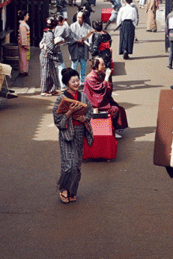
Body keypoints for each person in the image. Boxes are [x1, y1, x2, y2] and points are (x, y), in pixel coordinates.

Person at [53, 68, 93, 203]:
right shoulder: (61, 98)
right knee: (68, 165)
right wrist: (69, 113)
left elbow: (90, 110)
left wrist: (85, 118)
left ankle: (72, 191)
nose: (76, 83)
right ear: (67, 83)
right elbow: (57, 119)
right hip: (66, 133)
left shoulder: (83, 96)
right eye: (73, 81)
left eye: (77, 80)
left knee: (76, 165)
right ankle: (63, 187)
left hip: (79, 132)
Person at [83, 57, 128, 138]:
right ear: (96, 66)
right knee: (115, 110)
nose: (104, 66)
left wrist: (107, 79)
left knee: (119, 108)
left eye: (104, 64)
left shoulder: (100, 75)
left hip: (101, 100)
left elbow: (107, 88)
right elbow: (100, 90)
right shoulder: (90, 78)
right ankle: (112, 130)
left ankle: (114, 129)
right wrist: (107, 77)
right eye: (102, 65)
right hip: (94, 103)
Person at [39, 17, 62, 96]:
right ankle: (44, 90)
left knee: (52, 72)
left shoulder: (47, 32)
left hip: (47, 55)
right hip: (46, 55)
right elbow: (51, 48)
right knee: (46, 72)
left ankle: (52, 89)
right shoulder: (49, 34)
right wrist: (58, 44)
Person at [69, 11, 93, 83]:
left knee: (83, 66)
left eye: (80, 17)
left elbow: (91, 33)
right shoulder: (72, 26)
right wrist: (77, 40)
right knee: (74, 66)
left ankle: (82, 81)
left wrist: (87, 38)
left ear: (83, 18)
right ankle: (72, 80)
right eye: (78, 17)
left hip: (83, 48)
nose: (79, 19)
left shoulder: (87, 26)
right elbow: (70, 36)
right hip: (75, 48)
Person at [54, 14, 72, 82]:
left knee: (54, 67)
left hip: (51, 50)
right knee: (61, 67)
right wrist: (66, 23)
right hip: (57, 50)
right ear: (60, 22)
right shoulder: (62, 27)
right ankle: (62, 84)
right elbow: (68, 33)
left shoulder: (53, 28)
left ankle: (55, 82)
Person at [17, 10, 31, 76]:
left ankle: (24, 71)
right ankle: (23, 71)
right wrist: (25, 44)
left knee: (25, 58)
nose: (28, 17)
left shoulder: (23, 24)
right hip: (23, 43)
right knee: (23, 58)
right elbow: (23, 36)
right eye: (27, 15)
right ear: (24, 16)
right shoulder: (22, 25)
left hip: (26, 41)